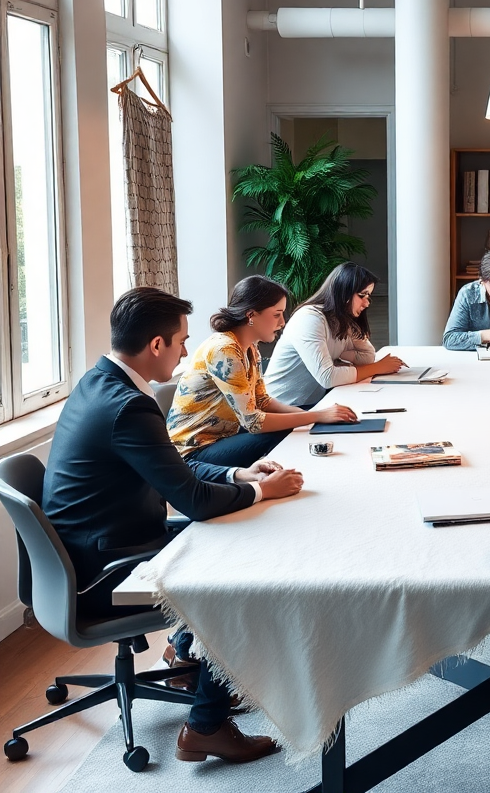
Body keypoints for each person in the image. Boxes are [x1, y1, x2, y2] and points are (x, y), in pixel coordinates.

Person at [42, 287, 303, 764]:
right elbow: (193, 501)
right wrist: (265, 491)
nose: (188, 350)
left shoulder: (101, 383)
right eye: (182, 341)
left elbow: (175, 474)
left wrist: (239, 474)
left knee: (238, 537)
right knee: (241, 570)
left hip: (98, 546)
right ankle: (205, 725)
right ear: (156, 345)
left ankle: (188, 659)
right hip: (105, 570)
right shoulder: (129, 407)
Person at [168, 276, 356, 469]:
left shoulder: (250, 348)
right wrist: (316, 416)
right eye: (277, 314)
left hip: (222, 437)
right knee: (285, 429)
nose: (282, 322)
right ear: (251, 316)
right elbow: (254, 423)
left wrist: (314, 415)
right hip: (192, 452)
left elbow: (262, 401)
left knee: (298, 424)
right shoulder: (224, 350)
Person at [264, 262, 405, 406]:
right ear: (343, 292)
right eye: (362, 295)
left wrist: (339, 355)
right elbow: (328, 377)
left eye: (368, 296)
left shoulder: (341, 320)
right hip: (281, 409)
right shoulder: (309, 318)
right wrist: (379, 367)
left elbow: (367, 357)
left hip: (314, 404)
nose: (366, 303)